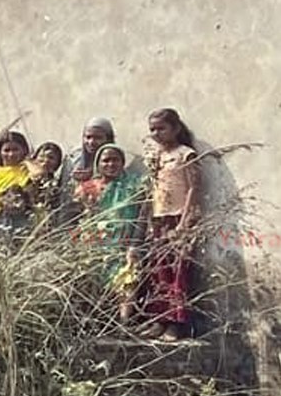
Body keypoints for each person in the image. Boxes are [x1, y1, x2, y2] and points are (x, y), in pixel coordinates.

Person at [141, 108, 200, 340]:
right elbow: (153, 190)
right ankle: (159, 320)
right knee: (158, 271)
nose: (156, 133)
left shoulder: (186, 154)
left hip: (178, 218)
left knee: (177, 272)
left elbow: (194, 188)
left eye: (161, 128)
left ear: (175, 128)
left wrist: (184, 223)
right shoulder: (155, 157)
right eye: (152, 129)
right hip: (159, 218)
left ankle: (176, 324)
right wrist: (149, 221)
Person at [77, 142, 145, 317]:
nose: (111, 164)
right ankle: (98, 322)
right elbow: (82, 217)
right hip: (96, 243)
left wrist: (135, 243)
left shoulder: (135, 186)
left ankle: (125, 324)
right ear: (98, 164)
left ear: (122, 163)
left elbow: (142, 216)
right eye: (106, 161)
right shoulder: (88, 187)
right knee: (93, 280)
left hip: (124, 242)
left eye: (115, 160)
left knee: (127, 280)